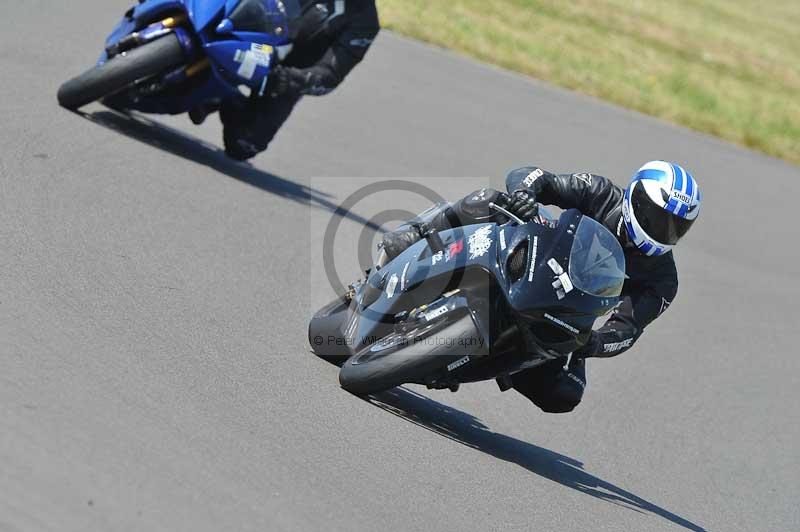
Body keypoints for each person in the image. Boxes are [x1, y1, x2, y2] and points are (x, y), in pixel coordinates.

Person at [381, 161, 702, 413]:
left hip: (566, 316)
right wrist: (524, 195)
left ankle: (494, 361)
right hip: (535, 256)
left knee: (564, 393)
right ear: (637, 198)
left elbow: (628, 329)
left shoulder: (663, 281)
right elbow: (536, 177)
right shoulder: (602, 193)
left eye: (676, 227)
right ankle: (420, 234)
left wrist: (594, 343)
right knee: (490, 200)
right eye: (659, 218)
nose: (665, 231)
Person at [192, 0, 380, 160]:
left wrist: (290, 80)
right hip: (248, 31)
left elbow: (331, 75)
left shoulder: (364, 21)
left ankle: (223, 97)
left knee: (244, 145)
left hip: (282, 73)